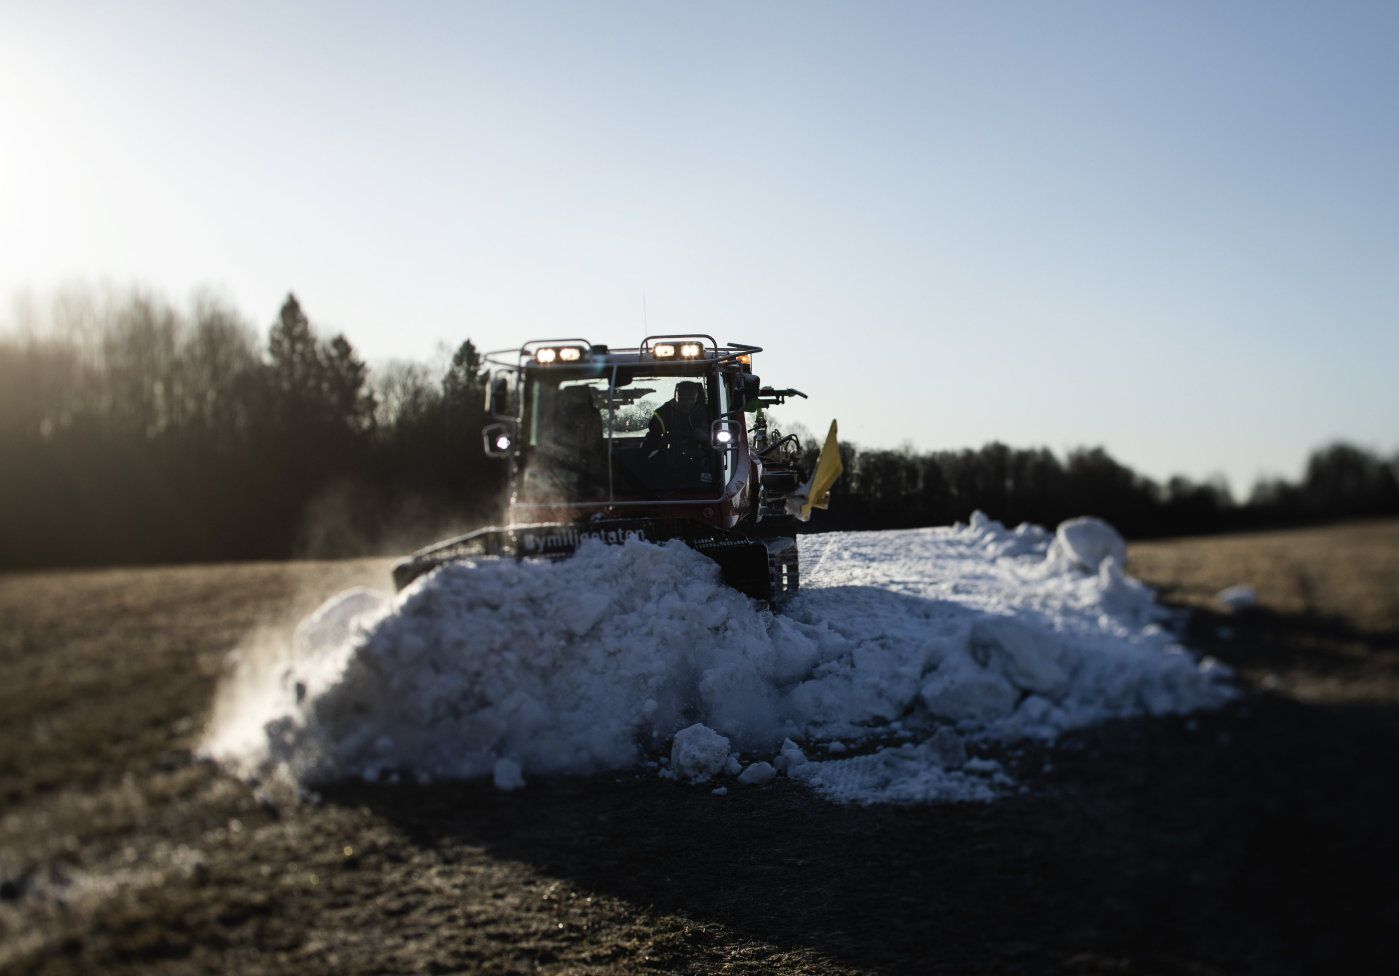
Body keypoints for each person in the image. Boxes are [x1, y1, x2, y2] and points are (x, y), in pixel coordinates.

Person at [643, 380, 713, 483]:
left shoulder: (711, 412)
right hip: (669, 464)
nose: (686, 402)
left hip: (704, 464)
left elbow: (722, 442)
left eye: (690, 398)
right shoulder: (663, 414)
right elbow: (651, 441)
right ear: (676, 395)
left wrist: (705, 437)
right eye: (682, 398)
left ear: (697, 396)